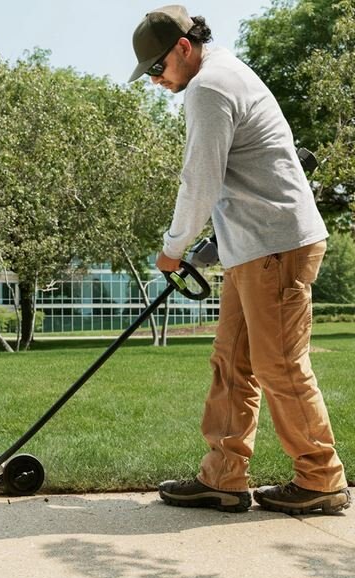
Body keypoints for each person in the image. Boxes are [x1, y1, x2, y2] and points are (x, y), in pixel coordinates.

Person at [128, 5, 350, 514]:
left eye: (158, 68)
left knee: (280, 367)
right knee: (231, 363)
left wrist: (172, 250)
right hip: (254, 248)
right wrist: (215, 245)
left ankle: (321, 478)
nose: (156, 80)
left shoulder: (209, 86)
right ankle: (223, 477)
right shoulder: (223, 72)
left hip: (276, 246)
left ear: (184, 47)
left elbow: (200, 180)